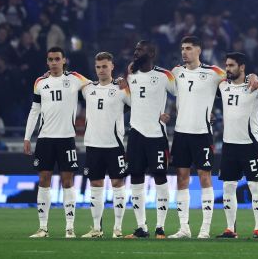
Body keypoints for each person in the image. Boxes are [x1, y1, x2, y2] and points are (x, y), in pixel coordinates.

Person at [23, 46, 90, 238]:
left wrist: (117, 83)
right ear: (47, 62)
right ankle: (43, 228)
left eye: (57, 59)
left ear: (64, 60)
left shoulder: (75, 79)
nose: (53, 63)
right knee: (44, 181)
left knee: (67, 182)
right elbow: (34, 110)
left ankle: (70, 228)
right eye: (50, 60)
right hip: (45, 139)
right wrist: (27, 137)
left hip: (67, 139)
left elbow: (96, 85)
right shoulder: (40, 82)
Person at [168, 36, 225, 239]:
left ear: (199, 51)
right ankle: (184, 228)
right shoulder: (176, 72)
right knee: (181, 179)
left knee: (204, 178)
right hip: (181, 133)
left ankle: (205, 229)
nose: (184, 52)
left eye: (189, 48)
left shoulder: (213, 73)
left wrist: (251, 76)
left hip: (202, 133)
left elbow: (236, 77)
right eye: (182, 48)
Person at [124, 40, 175, 239]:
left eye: (140, 49)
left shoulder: (164, 76)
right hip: (136, 134)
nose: (136, 52)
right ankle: (141, 227)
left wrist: (169, 112)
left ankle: (160, 227)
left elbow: (182, 95)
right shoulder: (130, 75)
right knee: (136, 177)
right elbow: (128, 100)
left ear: (151, 53)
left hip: (156, 135)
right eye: (135, 49)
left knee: (160, 178)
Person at [216, 52, 258, 239]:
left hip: (250, 145)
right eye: (226, 65)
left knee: (255, 186)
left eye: (231, 65)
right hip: (229, 145)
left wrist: (254, 77)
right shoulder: (222, 86)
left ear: (242, 67)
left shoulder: (256, 87)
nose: (227, 69)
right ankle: (230, 228)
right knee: (228, 187)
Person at [80, 52, 131, 238]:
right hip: (93, 145)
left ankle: (117, 228)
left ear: (112, 67)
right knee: (95, 185)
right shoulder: (87, 88)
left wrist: (127, 86)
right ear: (95, 68)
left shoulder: (120, 90)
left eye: (105, 66)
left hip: (114, 145)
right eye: (98, 67)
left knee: (118, 183)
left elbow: (137, 104)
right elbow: (67, 77)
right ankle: (96, 228)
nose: (101, 70)